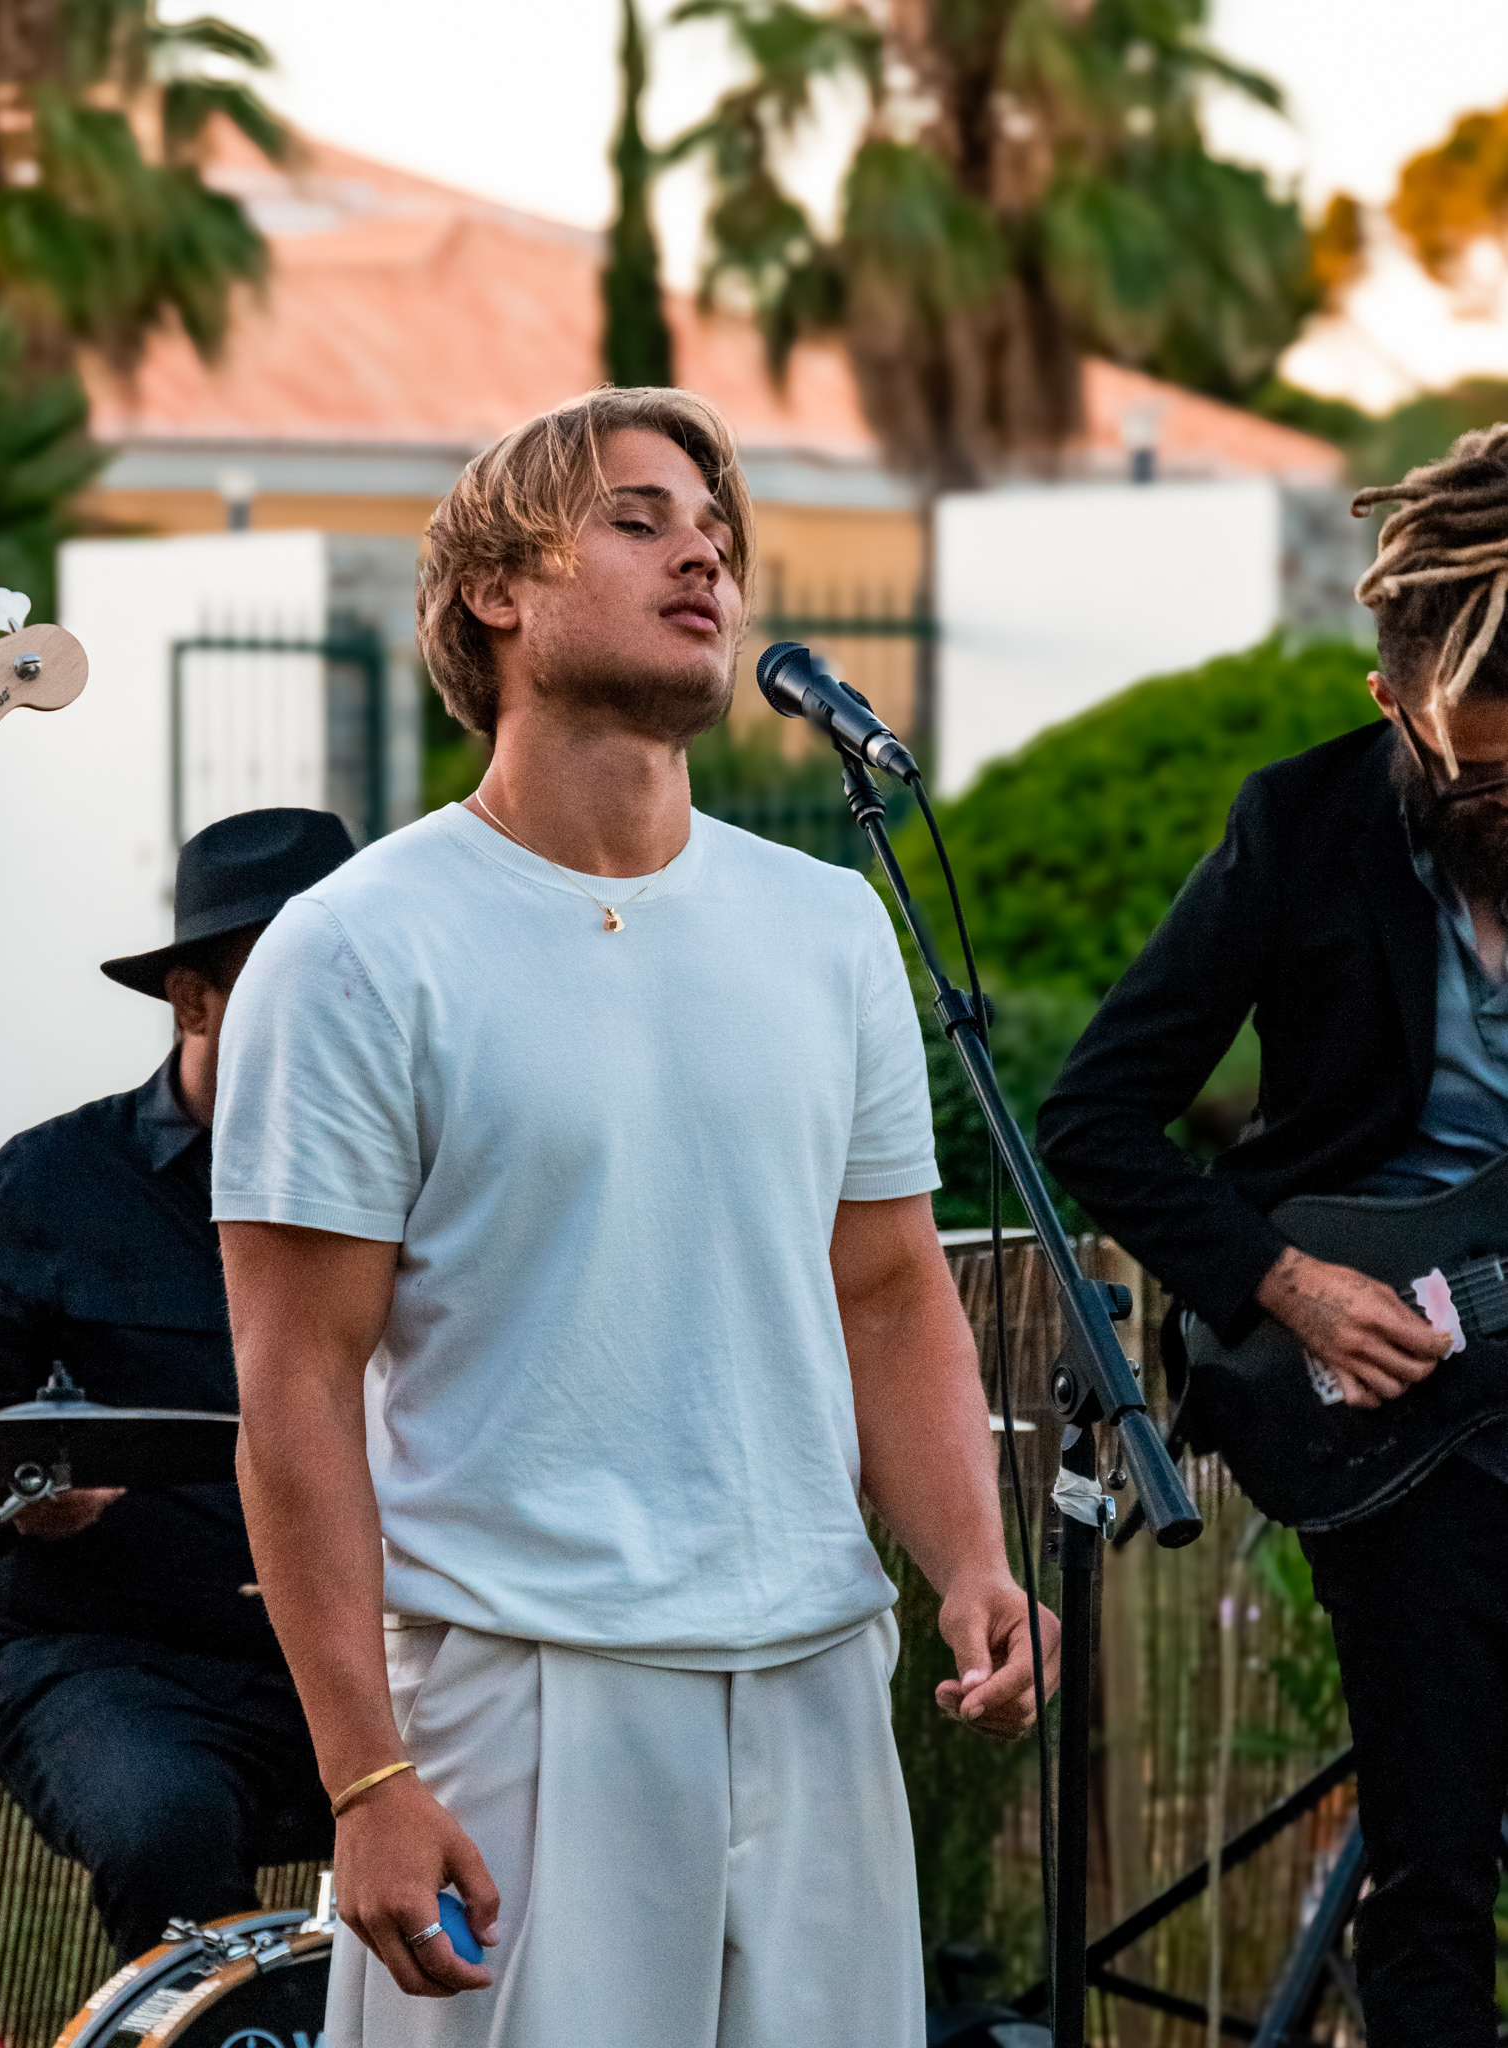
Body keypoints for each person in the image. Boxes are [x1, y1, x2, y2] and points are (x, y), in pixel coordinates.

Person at [211, 385, 1060, 2048]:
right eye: (636, 518)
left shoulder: (827, 925)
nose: (703, 557)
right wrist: (366, 1776)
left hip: (819, 1675)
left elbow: (888, 1289)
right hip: (520, 1695)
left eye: (715, 531)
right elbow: (293, 1384)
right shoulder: (355, 946)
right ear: (494, 592)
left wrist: (969, 1556)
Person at [1036, 423, 1508, 2047]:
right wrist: (1282, 1283)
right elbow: (1093, 1114)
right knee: (1431, 1862)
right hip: (1395, 1421)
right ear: (1389, 705)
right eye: (1474, 771)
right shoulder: (1298, 827)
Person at [0, 807, 352, 1964]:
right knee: (165, 1822)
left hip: (368, 1650)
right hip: (115, 1664)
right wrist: (12, 1486)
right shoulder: (46, 1187)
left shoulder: (421, 1177)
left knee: (532, 1808)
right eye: (291, 988)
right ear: (192, 1000)